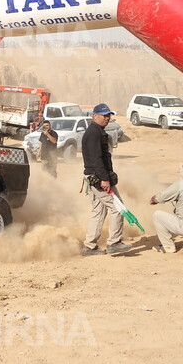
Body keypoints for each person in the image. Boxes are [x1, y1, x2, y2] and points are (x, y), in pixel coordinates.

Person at [82, 103, 130, 256]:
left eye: (109, 115)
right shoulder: (94, 133)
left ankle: (90, 246)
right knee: (118, 208)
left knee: (98, 211)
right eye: (104, 115)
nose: (107, 118)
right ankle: (114, 243)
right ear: (95, 116)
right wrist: (104, 179)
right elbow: (97, 159)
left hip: (92, 177)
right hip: (98, 178)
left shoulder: (96, 131)